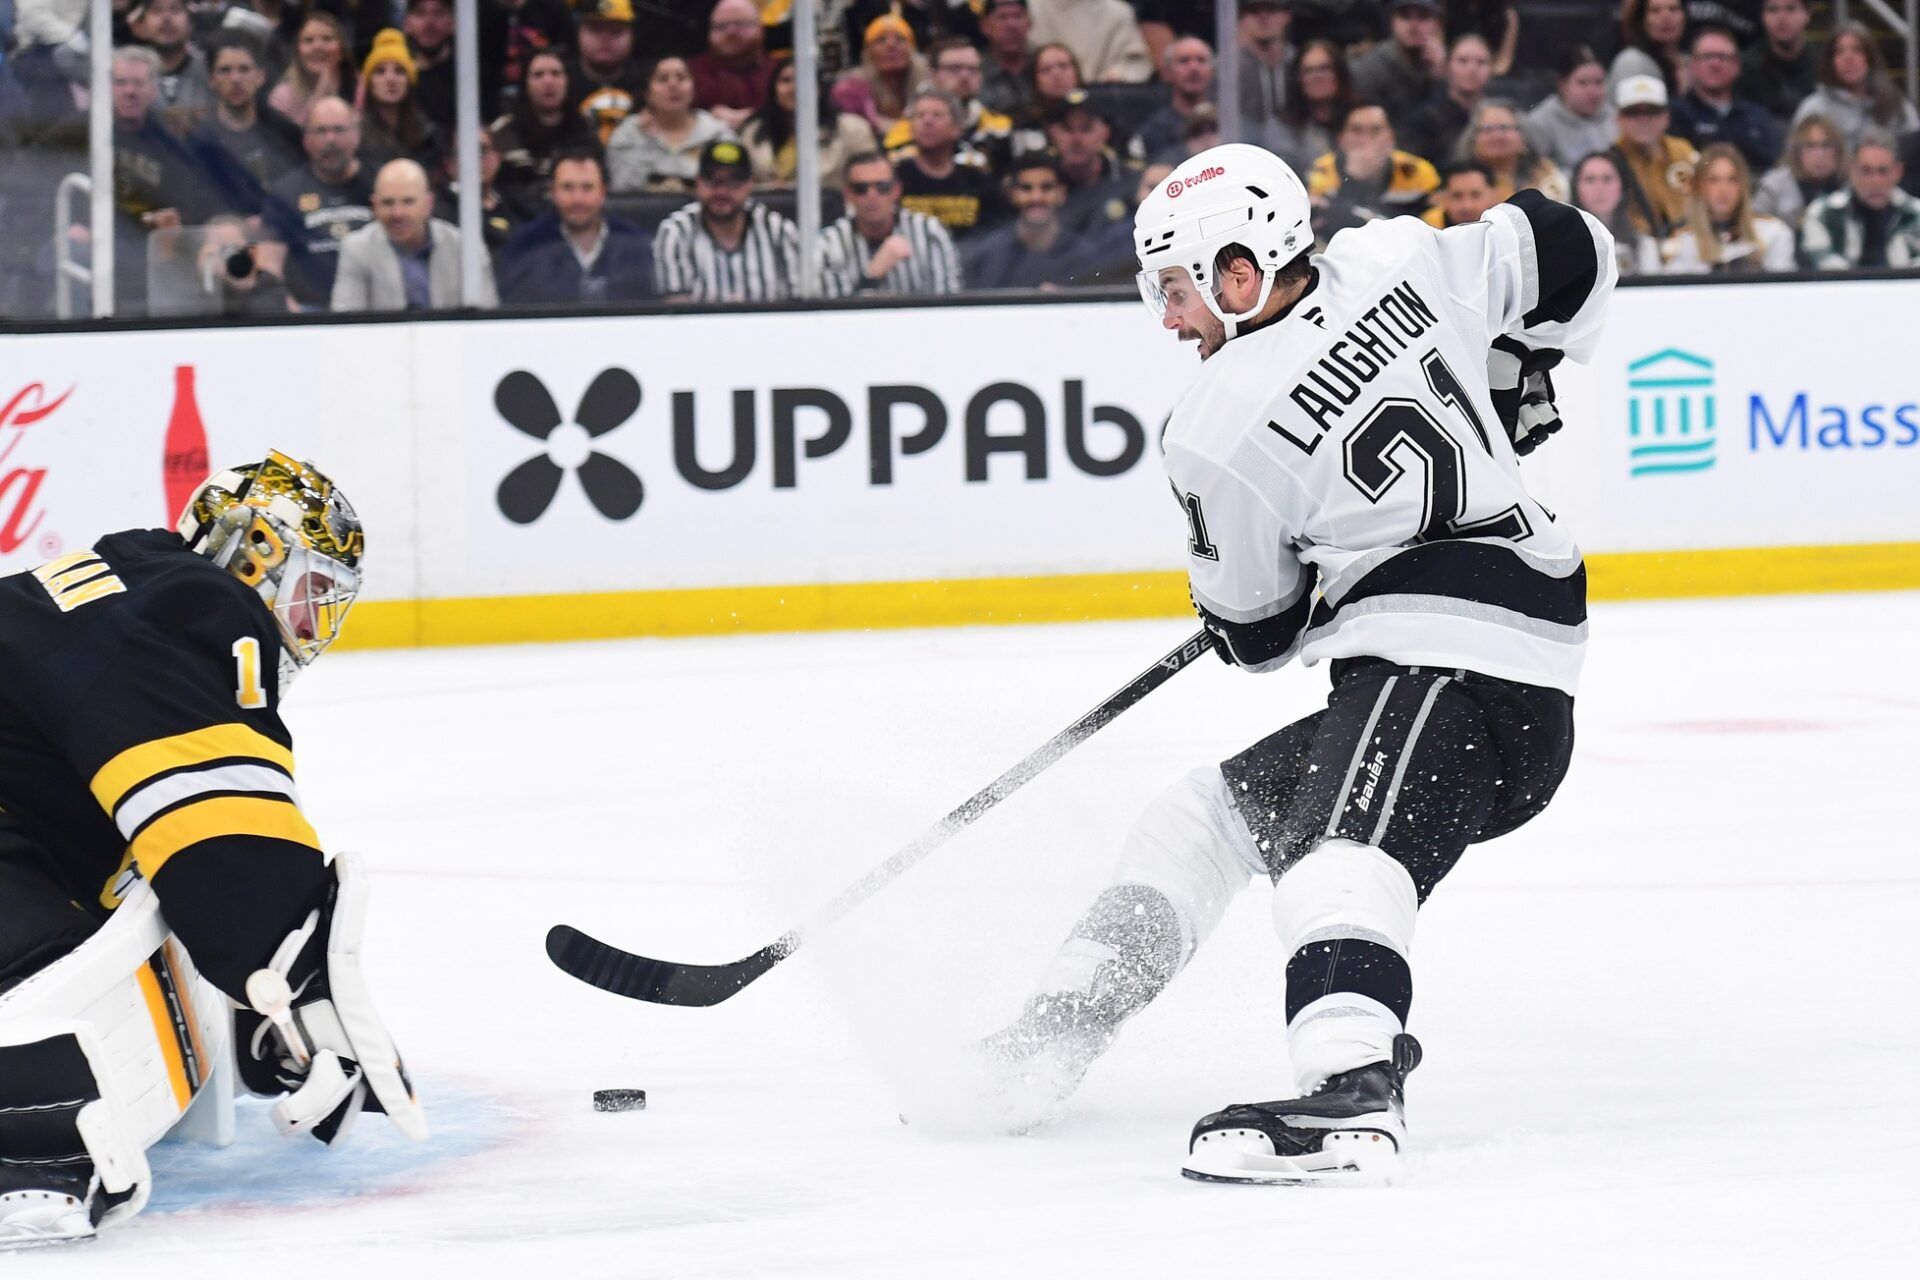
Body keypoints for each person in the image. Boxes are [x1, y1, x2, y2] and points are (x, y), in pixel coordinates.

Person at [980, 141, 1615, 1181]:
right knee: (1200, 820)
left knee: (1339, 856)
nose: (1171, 319)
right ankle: (1052, 1039)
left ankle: (1351, 1087)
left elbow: (1260, 630)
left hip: (1445, 658)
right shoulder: (1394, 258)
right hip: (1497, 654)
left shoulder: (1215, 425)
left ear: (1240, 272)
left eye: (1178, 290)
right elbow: (1570, 243)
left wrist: (1267, 595)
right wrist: (1518, 361)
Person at [0, 452, 422, 1248]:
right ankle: (24, 1142)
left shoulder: (132, 598)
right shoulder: (190, 609)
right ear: (252, 551)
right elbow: (212, 828)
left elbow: (162, 837)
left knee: (67, 929)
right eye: (309, 595)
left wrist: (249, 1010)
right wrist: (285, 960)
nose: (308, 628)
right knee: (37, 972)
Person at [330, 157, 496, 310]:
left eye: (408, 202)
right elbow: (344, 321)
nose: (397, 213)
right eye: (387, 203)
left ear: (428, 204)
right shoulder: (356, 249)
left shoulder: (466, 249)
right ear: (375, 206)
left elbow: (486, 320)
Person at [498, 147, 655, 305]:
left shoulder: (636, 243)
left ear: (603, 192)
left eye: (587, 188)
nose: (577, 199)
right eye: (567, 188)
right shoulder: (525, 246)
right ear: (553, 192)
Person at [258, 95, 374, 308]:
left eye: (339, 130)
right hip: (309, 313)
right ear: (306, 140)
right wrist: (288, 310)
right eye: (321, 131)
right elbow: (268, 266)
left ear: (357, 135)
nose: (330, 140)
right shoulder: (284, 194)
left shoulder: (380, 184)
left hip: (377, 311)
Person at [653, 138, 801, 302]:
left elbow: (799, 304)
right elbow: (676, 309)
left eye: (733, 182)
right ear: (698, 182)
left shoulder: (779, 231)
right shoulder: (675, 232)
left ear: (749, 185)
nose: (721, 192)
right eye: (712, 181)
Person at [819, 150, 961, 297]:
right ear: (848, 194)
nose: (872, 196)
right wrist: (872, 276)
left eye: (882, 187)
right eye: (861, 189)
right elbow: (832, 316)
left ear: (896, 190)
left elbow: (948, 304)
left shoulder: (930, 233)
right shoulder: (828, 244)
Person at [187, 32, 303, 214]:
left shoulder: (286, 133)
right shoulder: (198, 141)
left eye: (244, 69)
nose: (235, 79)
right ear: (211, 80)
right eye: (225, 70)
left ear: (261, 76)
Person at [962, 149, 1099, 289]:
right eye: (1026, 188)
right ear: (1012, 194)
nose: (1036, 198)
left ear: (1061, 193)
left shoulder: (1083, 255)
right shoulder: (988, 255)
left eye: (1046, 188)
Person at [1306, 100, 1439, 240]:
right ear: (1341, 139)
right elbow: (1323, 226)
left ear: (1391, 137)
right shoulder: (1321, 170)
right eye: (1356, 131)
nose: (1366, 139)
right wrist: (1353, 179)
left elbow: (1432, 225)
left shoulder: (1417, 171)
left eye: (1376, 130)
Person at [740, 58, 878, 189]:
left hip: (834, 209)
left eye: (804, 79)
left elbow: (871, 176)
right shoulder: (752, 132)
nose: (795, 88)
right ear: (773, 89)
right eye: (786, 80)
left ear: (819, 89)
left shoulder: (852, 129)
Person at [884, 36, 1017, 173]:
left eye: (973, 69)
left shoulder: (1000, 128)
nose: (965, 76)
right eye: (954, 69)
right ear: (932, 75)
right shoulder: (906, 132)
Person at [606, 55, 736, 194]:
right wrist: (649, 143)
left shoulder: (718, 135)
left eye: (681, 77)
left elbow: (730, 186)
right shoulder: (628, 134)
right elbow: (622, 188)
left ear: (693, 89)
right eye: (663, 79)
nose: (673, 85)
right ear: (647, 93)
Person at [490, 47, 597, 212]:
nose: (548, 82)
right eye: (538, 75)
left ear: (568, 80)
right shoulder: (503, 131)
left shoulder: (585, 128)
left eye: (556, 73)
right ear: (525, 84)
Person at [1662, 142, 1794, 274]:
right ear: (1699, 186)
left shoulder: (1773, 233)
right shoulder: (1682, 242)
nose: (1723, 190)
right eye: (1714, 180)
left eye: (1732, 180)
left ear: (1743, 186)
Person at [891, 87, 1004, 239]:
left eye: (937, 115)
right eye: (920, 115)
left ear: (957, 128)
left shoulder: (978, 181)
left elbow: (994, 234)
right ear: (910, 128)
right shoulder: (894, 179)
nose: (928, 121)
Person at [1669, 25, 1783, 176]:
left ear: (1737, 66)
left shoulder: (1757, 117)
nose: (1715, 64)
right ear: (1693, 65)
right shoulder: (1675, 115)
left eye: (1723, 57)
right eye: (1707, 57)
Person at [1801, 129, 1920, 270]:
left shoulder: (1916, 214)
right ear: (1852, 171)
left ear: (1898, 172)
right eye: (1866, 171)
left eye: (1883, 171)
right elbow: (1823, 266)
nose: (1875, 181)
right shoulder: (1823, 214)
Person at [1791, 22, 1920, 148]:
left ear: (1870, 58)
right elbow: (1794, 160)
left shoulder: (1897, 105)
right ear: (1830, 62)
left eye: (1857, 50)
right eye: (1839, 52)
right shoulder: (1814, 109)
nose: (1848, 58)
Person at [150, 211, 293, 315]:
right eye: (217, 247)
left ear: (250, 252)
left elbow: (265, 317)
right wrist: (207, 278)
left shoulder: (266, 282)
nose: (223, 256)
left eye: (231, 248)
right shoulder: (190, 281)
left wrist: (239, 281)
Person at [1609, 74, 1697, 239]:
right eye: (1633, 112)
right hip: (1636, 245)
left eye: (1652, 111)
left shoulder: (1683, 151)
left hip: (1687, 241)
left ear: (1666, 117)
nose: (1643, 119)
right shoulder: (1609, 161)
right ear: (1618, 119)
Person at [1045, 87, 1140, 235]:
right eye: (1067, 129)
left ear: (1105, 133)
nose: (1076, 139)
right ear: (1052, 133)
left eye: (1086, 128)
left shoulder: (1130, 181)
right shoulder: (1038, 185)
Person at [355, 27, 445, 177]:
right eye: (380, 71)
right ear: (369, 83)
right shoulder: (355, 134)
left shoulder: (428, 135)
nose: (390, 79)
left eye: (399, 71)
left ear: (409, 81)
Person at [831, 12, 929, 139]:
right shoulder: (850, 90)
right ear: (868, 52)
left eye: (900, 39)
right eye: (880, 40)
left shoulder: (929, 85)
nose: (891, 46)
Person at [1400, 32, 1491, 167]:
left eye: (1481, 62)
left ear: (1492, 69)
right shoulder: (1425, 119)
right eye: (1462, 61)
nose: (1472, 69)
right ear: (1447, 66)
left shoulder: (1499, 115)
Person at [1264, 38, 1353, 175]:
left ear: (1340, 74)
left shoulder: (1361, 117)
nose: (1317, 77)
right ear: (1298, 79)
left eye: (1325, 68)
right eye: (1308, 71)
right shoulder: (1282, 125)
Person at [1569, 150, 1666, 275]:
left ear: (1623, 187)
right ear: (1575, 188)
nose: (1599, 188)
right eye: (1590, 180)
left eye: (1607, 179)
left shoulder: (1645, 247)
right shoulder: (1560, 245)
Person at [1349, 0, 1444, 125]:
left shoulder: (1446, 64)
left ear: (1437, 24)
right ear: (1392, 22)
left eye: (1423, 17)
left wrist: (1440, 75)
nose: (1413, 25)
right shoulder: (1370, 69)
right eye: (1405, 16)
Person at [1457, 99, 1566, 202]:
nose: (1497, 136)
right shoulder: (1459, 180)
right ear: (1473, 139)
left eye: (1504, 128)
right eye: (1488, 129)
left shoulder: (1547, 175)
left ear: (1524, 137)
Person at [1527, 45, 1615, 173]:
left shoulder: (1615, 115)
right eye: (1582, 83)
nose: (1593, 92)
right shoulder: (1540, 123)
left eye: (1599, 82)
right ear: (1562, 85)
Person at [571, 0, 647, 146]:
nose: (605, 39)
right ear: (579, 32)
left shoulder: (647, 82)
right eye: (595, 29)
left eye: (615, 31)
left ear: (632, 35)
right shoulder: (561, 78)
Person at [690, 0, 772, 133]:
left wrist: (759, 117)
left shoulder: (780, 73)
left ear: (760, 29)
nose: (731, 32)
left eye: (741, 24)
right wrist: (706, 117)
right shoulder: (690, 73)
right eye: (721, 26)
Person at [1133, 35, 1214, 166]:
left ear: (1212, 71)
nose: (1194, 68)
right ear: (1167, 73)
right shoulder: (1152, 132)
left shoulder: (1231, 124)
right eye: (1184, 61)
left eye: (1201, 60)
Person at [1027, 0, 1152, 84]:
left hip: (1102, 96)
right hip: (1039, 99)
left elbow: (1136, 63)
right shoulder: (1028, 8)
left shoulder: (1118, 12)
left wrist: (1117, 74)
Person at [135, 0, 215, 128]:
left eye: (175, 10)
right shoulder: (131, 74)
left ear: (190, 23)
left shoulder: (212, 69)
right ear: (143, 25)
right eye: (157, 10)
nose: (166, 18)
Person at [1754, 113, 1844, 227]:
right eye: (1811, 146)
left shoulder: (1849, 187)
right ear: (1797, 152)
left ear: (1838, 151)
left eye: (1826, 145)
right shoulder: (1773, 188)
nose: (1820, 155)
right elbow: (1755, 233)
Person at [268, 11, 353, 126]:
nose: (317, 46)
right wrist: (320, 94)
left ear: (342, 50)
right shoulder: (282, 97)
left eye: (327, 39)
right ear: (298, 52)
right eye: (308, 40)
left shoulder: (360, 86)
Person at [1737, 0, 1816, 124]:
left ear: (1808, 14)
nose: (1781, 18)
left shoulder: (1824, 65)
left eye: (1790, 9)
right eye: (1773, 10)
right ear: (1762, 16)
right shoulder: (1744, 68)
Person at [1235, 0, 1294, 153]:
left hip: (1297, 151)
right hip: (1244, 150)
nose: (1263, 17)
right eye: (1254, 11)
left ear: (1287, 15)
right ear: (1243, 18)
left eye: (1272, 9)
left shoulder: (1300, 64)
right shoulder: (1226, 70)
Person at [1609, 0, 1687, 101]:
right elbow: (1641, 114)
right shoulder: (1632, 62)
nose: (1666, 17)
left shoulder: (1690, 61)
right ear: (1642, 20)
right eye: (1655, 11)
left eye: (1673, 9)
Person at [401, 0, 456, 134]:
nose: (429, 22)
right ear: (406, 24)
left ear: (453, 22)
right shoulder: (400, 77)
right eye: (420, 13)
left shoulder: (468, 75)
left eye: (438, 13)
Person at [979, 0, 1035, 119]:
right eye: (1002, 17)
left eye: (1018, 16)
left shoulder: (1045, 64)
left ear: (1029, 23)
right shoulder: (975, 71)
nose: (1011, 25)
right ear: (985, 26)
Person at [1421, 157, 1499, 228]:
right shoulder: (1426, 230)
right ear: (1443, 198)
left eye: (1476, 195)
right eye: (1457, 196)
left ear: (1494, 195)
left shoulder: (1508, 228)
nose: (1467, 206)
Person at [1447, 0, 1518, 77]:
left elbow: (1503, 64)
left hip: (1492, 75)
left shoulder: (1506, 15)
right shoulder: (1446, 10)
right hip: (1449, 73)